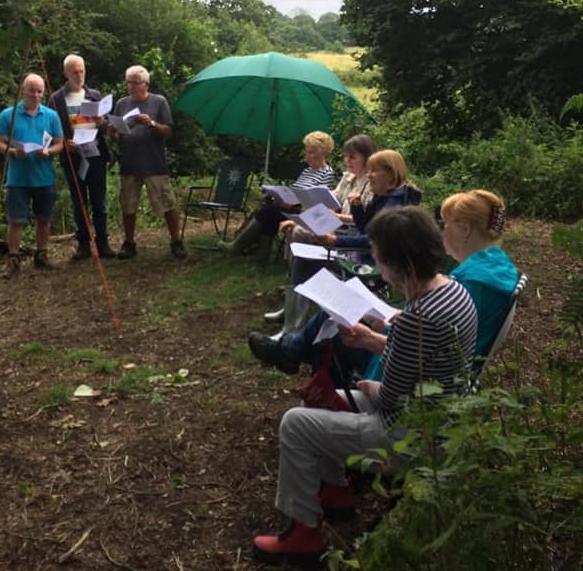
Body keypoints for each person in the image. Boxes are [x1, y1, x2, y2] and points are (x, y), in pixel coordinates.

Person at [252, 206, 478, 565]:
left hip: (412, 435)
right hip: (442, 418)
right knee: (324, 402)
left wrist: (367, 385)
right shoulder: (453, 292)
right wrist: (373, 339)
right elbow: (423, 351)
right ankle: (337, 493)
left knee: (295, 423)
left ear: (398, 262)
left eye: (379, 258)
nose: (377, 265)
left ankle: (302, 535)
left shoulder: (416, 319)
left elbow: (389, 397)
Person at [249, 190, 519, 388]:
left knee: (337, 327)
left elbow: (428, 347)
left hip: (425, 380)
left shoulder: (474, 283)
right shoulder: (496, 269)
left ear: (465, 229)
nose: (441, 230)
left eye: (446, 223)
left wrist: (380, 331)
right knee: (346, 306)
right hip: (430, 356)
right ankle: (293, 352)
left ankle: (328, 413)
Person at [263, 134, 376, 332]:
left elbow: (364, 222)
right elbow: (329, 200)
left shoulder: (371, 183)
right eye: (345, 156)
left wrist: (338, 217)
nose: (347, 161)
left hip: (349, 233)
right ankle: (294, 299)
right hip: (334, 225)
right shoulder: (347, 178)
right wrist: (299, 212)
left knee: (301, 240)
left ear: (366, 158)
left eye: (353, 157)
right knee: (295, 229)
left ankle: (295, 304)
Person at [219, 131, 336, 261]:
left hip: (304, 212)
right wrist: (282, 198)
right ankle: (259, 258)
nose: (307, 156)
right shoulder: (307, 171)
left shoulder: (327, 173)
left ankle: (242, 249)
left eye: (312, 152)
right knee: (270, 211)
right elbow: (295, 191)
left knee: (267, 212)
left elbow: (319, 201)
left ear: (323, 153)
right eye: (307, 152)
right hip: (290, 207)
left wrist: (295, 204)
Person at [110, 64, 186, 260]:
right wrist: (116, 130)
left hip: (154, 162)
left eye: (135, 83)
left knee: (167, 202)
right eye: (129, 83)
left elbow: (169, 131)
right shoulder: (121, 104)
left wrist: (151, 123)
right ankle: (129, 242)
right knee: (128, 204)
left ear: (146, 84)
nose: (131, 87)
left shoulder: (159, 102)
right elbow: (115, 135)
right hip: (129, 162)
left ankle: (176, 241)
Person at [0, 73, 64, 278]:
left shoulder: (51, 115)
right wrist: (14, 152)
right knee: (16, 220)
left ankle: (41, 255)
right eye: (32, 90)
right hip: (18, 178)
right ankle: (13, 260)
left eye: (40, 91)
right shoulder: (8, 115)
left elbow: (60, 143)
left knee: (44, 218)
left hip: (44, 176)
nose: (36, 95)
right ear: (23, 90)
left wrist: (49, 152)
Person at [48, 54, 115, 261]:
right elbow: (51, 129)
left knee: (99, 201)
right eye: (75, 71)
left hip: (95, 154)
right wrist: (64, 142)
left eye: (82, 71)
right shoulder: (56, 99)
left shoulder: (94, 95)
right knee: (79, 201)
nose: (79, 75)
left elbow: (105, 127)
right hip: (72, 156)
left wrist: (101, 121)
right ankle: (83, 244)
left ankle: (103, 242)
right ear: (66, 73)